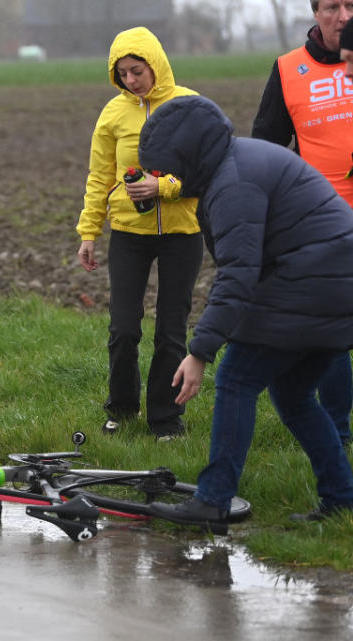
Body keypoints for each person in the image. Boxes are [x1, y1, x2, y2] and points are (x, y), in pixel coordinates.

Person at [137, 95, 353, 531]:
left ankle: (213, 500)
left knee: (236, 378)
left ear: (191, 154)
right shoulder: (238, 161)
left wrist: (199, 352)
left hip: (314, 284)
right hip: (333, 285)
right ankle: (342, 498)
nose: (169, 177)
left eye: (170, 166)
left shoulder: (233, 183)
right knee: (293, 397)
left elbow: (238, 276)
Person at [75, 27, 203, 441]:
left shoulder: (189, 105)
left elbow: (208, 170)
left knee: (171, 329)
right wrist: (89, 231)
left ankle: (166, 420)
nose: (132, 80)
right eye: (123, 73)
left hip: (183, 232)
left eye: (138, 70)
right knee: (124, 327)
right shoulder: (113, 113)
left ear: (156, 63)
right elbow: (98, 177)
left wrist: (162, 187)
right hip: (129, 232)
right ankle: (122, 409)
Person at [251, 0, 353, 447]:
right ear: (315, 12)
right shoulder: (289, 69)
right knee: (333, 333)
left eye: (351, 5)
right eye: (333, 7)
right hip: (324, 227)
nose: (344, 16)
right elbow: (265, 146)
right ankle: (337, 430)